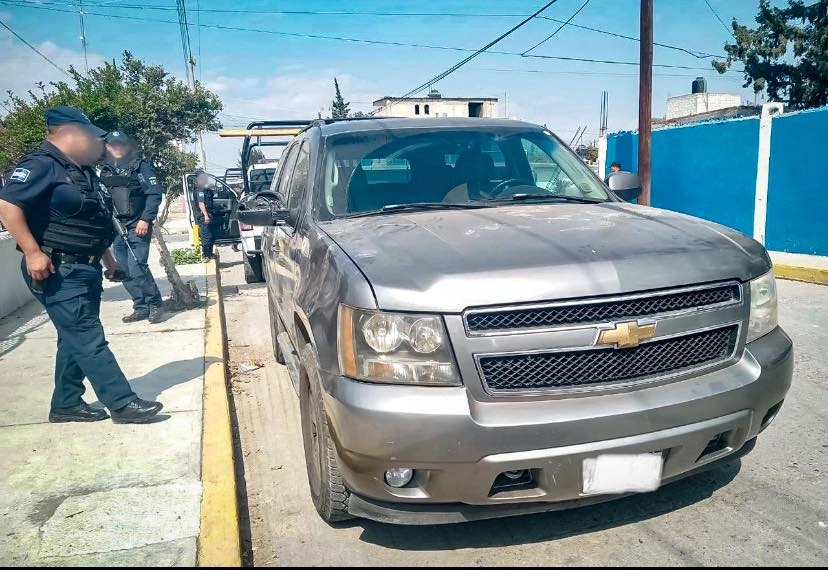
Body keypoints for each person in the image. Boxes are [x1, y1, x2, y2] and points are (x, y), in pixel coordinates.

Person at [0, 106, 163, 424]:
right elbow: (7, 205)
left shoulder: (83, 172)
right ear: (71, 133)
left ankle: (66, 403)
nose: (97, 144)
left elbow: (94, 221)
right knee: (88, 336)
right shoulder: (42, 165)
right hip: (57, 268)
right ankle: (122, 403)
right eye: (92, 137)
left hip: (84, 268)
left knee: (72, 336)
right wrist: (33, 252)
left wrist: (109, 259)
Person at [99, 131, 164, 324]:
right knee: (124, 271)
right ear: (108, 147)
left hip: (138, 225)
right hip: (117, 227)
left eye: (121, 144)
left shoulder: (140, 167)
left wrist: (146, 218)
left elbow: (154, 194)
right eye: (113, 145)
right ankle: (141, 307)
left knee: (137, 268)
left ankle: (155, 304)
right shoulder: (105, 170)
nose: (117, 148)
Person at [194, 172, 217, 259]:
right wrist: (206, 215)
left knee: (211, 236)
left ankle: (209, 254)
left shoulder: (205, 189)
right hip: (203, 215)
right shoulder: (200, 189)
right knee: (207, 236)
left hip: (208, 214)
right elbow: (201, 203)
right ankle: (206, 255)